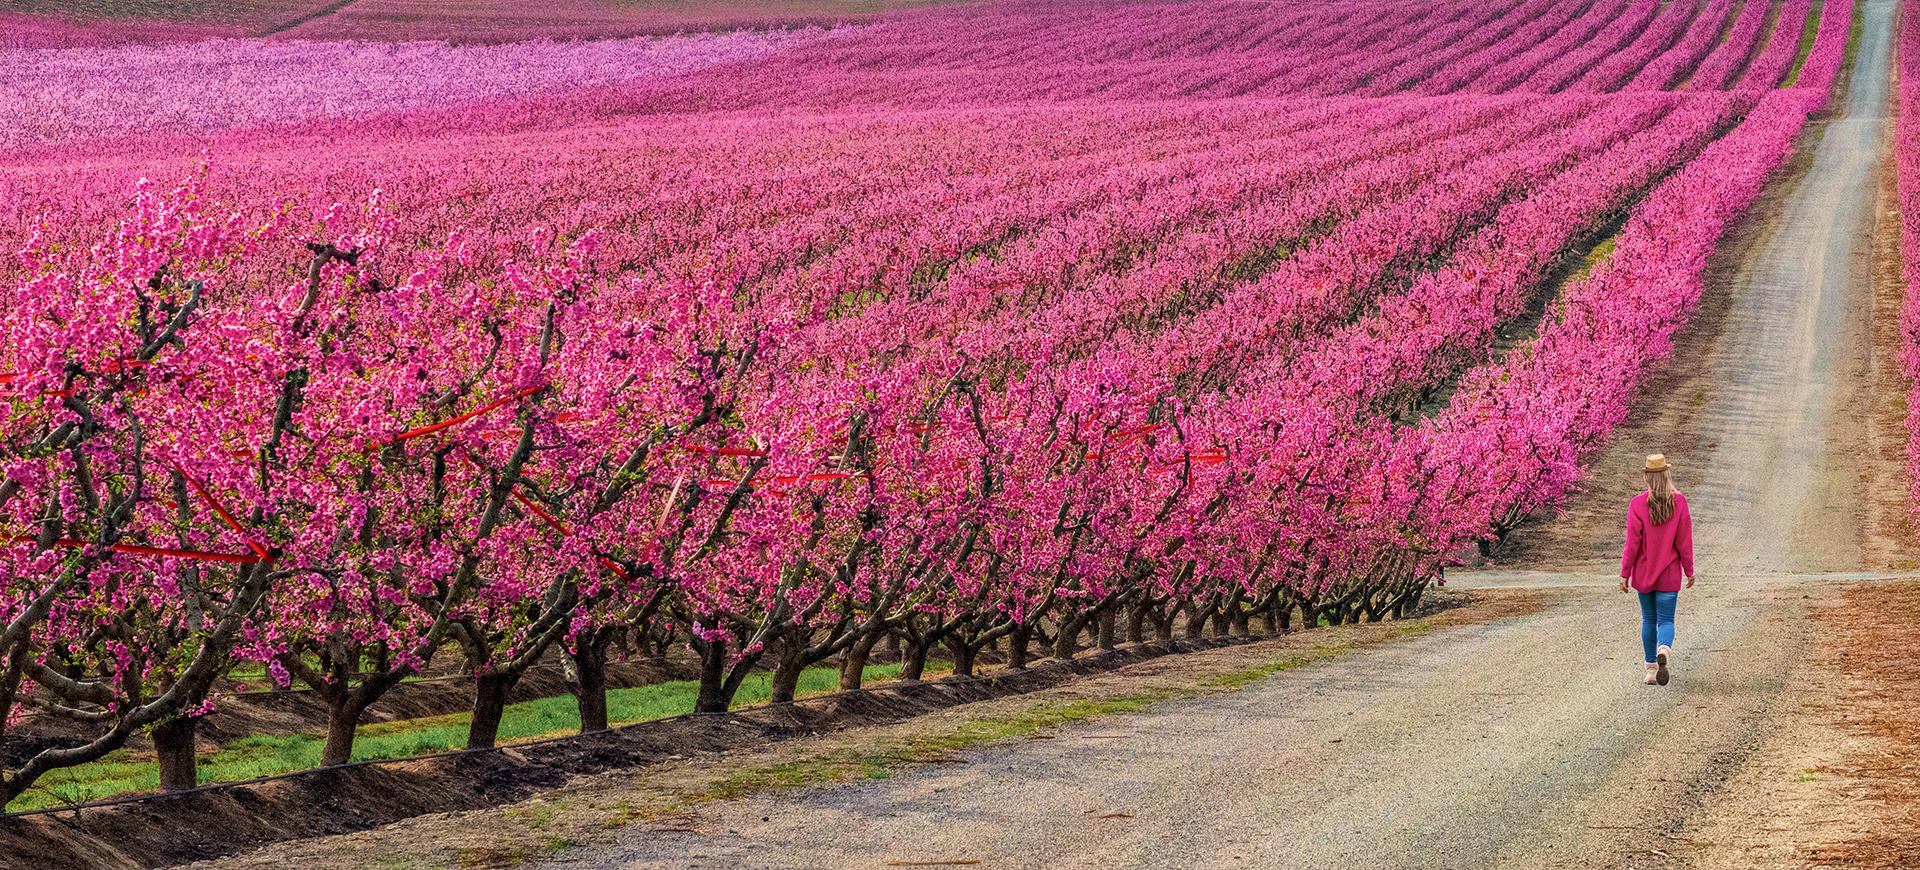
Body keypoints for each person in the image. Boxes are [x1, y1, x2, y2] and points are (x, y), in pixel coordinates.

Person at [1619, 453, 1695, 686]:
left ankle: (1651, 669)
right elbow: (1684, 541)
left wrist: (1625, 573)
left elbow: (1632, 543)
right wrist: (1689, 570)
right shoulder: (1679, 502)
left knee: (1648, 619)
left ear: (1647, 478)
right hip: (1669, 574)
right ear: (1667, 475)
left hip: (1643, 573)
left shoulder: (1637, 504)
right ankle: (1664, 649)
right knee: (1666, 620)